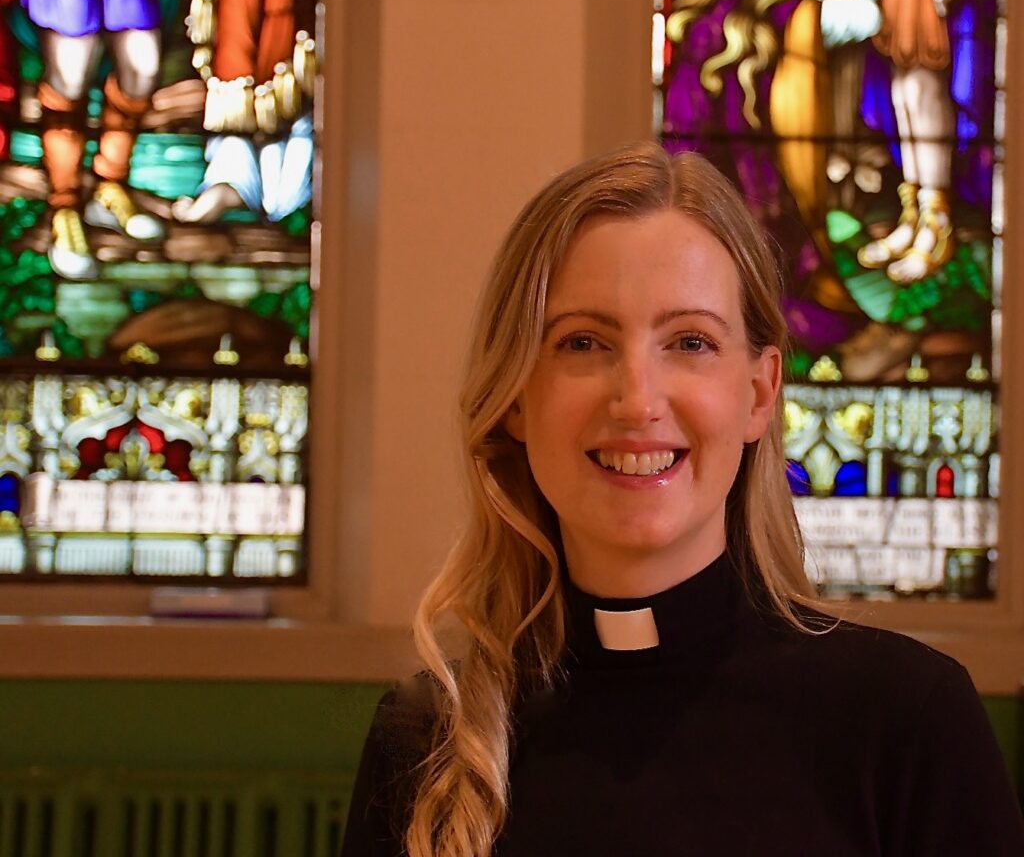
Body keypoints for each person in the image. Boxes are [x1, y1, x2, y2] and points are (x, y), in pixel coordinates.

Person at [340, 143, 1024, 856]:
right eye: (582, 343)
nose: (637, 401)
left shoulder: (906, 723)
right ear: (514, 397)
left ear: (759, 394)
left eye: (690, 341)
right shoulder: (427, 741)